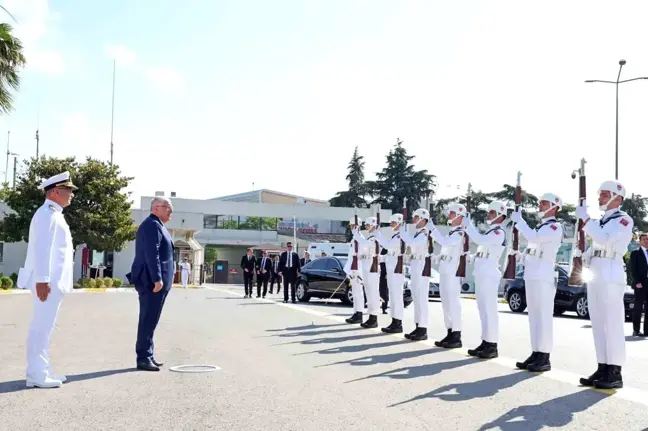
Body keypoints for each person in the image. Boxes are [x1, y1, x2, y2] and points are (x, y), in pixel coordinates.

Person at [18, 171, 77, 388]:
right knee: (41, 327)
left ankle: (42, 369)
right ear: (55, 192)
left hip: (52, 282)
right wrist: (42, 279)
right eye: (68, 190)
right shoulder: (46, 214)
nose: (71, 195)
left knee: (46, 327)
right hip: (46, 283)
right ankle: (37, 373)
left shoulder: (54, 213)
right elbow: (42, 248)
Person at [577, 180, 633, 389]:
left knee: (613, 322)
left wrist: (585, 219)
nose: (600, 197)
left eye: (604, 194)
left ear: (617, 197)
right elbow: (597, 243)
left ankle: (615, 370)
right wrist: (584, 255)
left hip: (611, 271)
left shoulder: (624, 220)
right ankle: (602, 366)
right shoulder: (602, 220)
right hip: (597, 269)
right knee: (598, 322)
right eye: (600, 193)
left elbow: (605, 238)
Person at [510, 193, 563, 373]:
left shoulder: (555, 227)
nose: (540, 205)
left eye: (544, 203)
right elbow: (533, 249)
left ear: (554, 207)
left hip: (543, 276)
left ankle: (544, 355)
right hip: (532, 275)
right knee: (533, 316)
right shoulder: (541, 227)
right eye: (540, 202)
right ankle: (536, 352)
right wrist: (521, 257)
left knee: (543, 317)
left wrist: (520, 222)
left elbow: (535, 238)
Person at [128, 196, 175, 372]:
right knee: (148, 318)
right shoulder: (151, 225)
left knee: (152, 319)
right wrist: (157, 278)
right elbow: (151, 253)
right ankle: (143, 357)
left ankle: (148, 354)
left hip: (158, 282)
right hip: (151, 282)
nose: (171, 211)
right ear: (155, 208)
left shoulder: (159, 225)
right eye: (167, 207)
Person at [462, 201, 508, 359]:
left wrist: (469, 227)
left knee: (490, 310)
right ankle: (485, 341)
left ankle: (492, 344)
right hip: (482, 273)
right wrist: (472, 257)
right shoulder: (491, 232)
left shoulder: (498, 233)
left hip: (489, 275)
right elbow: (483, 252)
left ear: (499, 215)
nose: (488, 215)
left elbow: (480, 241)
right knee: (483, 310)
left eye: (491, 212)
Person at [428, 203, 467, 349]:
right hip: (445, 270)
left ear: (459, 215)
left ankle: (456, 334)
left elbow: (446, 242)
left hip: (453, 271)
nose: (449, 215)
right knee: (445, 302)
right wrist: (438, 258)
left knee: (453, 303)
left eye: (451, 213)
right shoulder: (451, 232)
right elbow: (446, 248)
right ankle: (450, 332)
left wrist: (433, 229)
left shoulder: (459, 233)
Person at [401, 208, 432, 341]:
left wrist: (402, 232)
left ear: (423, 219)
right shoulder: (418, 233)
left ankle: (423, 328)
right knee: (416, 297)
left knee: (422, 299)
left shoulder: (424, 233)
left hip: (421, 265)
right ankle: (418, 326)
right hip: (415, 264)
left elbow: (413, 244)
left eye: (416, 217)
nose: (414, 219)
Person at [375, 213, 406, 333]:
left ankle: (398, 323)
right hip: (391, 269)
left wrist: (378, 235)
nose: (391, 224)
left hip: (397, 270)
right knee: (393, 297)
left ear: (398, 222)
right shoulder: (395, 236)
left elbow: (387, 246)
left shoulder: (400, 236)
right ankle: (394, 321)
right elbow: (389, 253)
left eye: (392, 222)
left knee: (397, 297)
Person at [352, 216, 382, 328]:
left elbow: (365, 244)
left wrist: (356, 234)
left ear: (374, 225)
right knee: (369, 293)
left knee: (373, 293)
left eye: (368, 225)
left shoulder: (376, 237)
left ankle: (374, 318)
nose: (366, 227)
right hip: (367, 267)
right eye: (366, 225)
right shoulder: (370, 237)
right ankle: (371, 317)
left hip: (372, 268)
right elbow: (365, 248)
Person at [343, 217, 365, 323]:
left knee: (358, 293)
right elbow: (351, 257)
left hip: (358, 270)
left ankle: (359, 314)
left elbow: (360, 256)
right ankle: (356, 313)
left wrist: (357, 271)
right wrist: (348, 270)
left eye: (354, 226)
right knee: (355, 293)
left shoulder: (360, 238)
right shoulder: (354, 239)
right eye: (351, 226)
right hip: (353, 269)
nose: (352, 228)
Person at [630, 233, 648, 337]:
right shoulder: (635, 253)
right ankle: (636, 330)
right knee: (638, 307)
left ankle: (646, 331)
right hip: (640, 284)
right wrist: (637, 282)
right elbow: (633, 269)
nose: (647, 241)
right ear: (640, 241)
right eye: (644, 239)